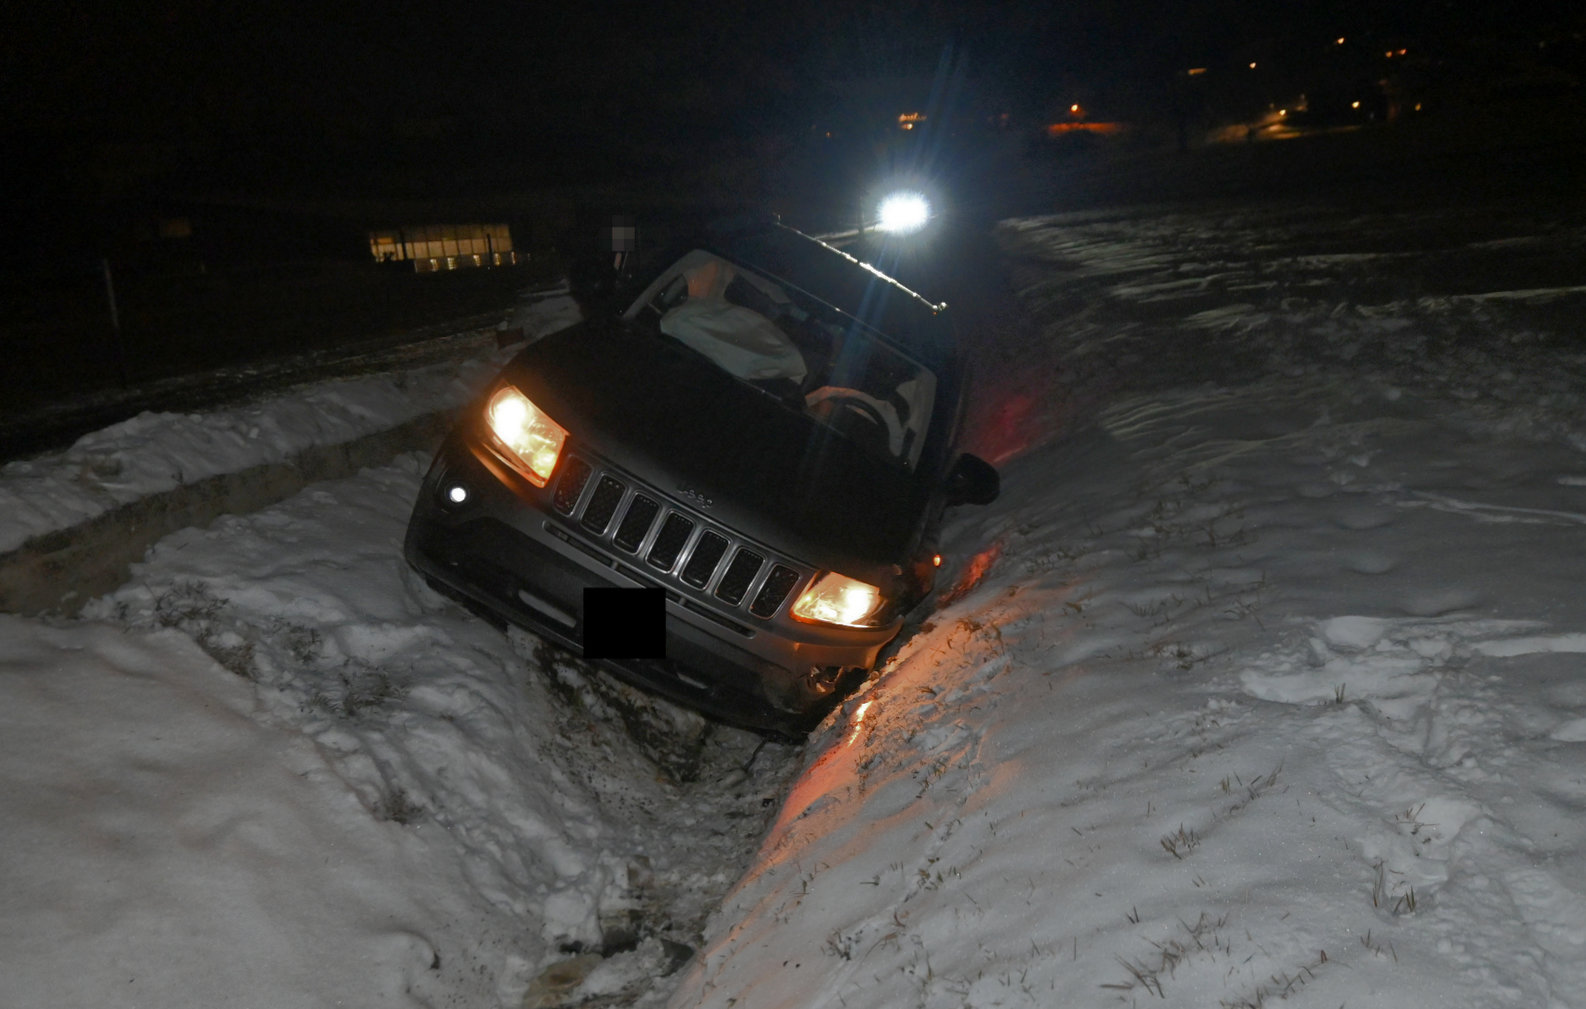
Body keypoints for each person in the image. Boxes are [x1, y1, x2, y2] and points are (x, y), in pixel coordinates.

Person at [659, 259, 808, 383]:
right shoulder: (687, 319)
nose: (730, 272)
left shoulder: (681, 320)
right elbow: (790, 365)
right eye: (717, 263)